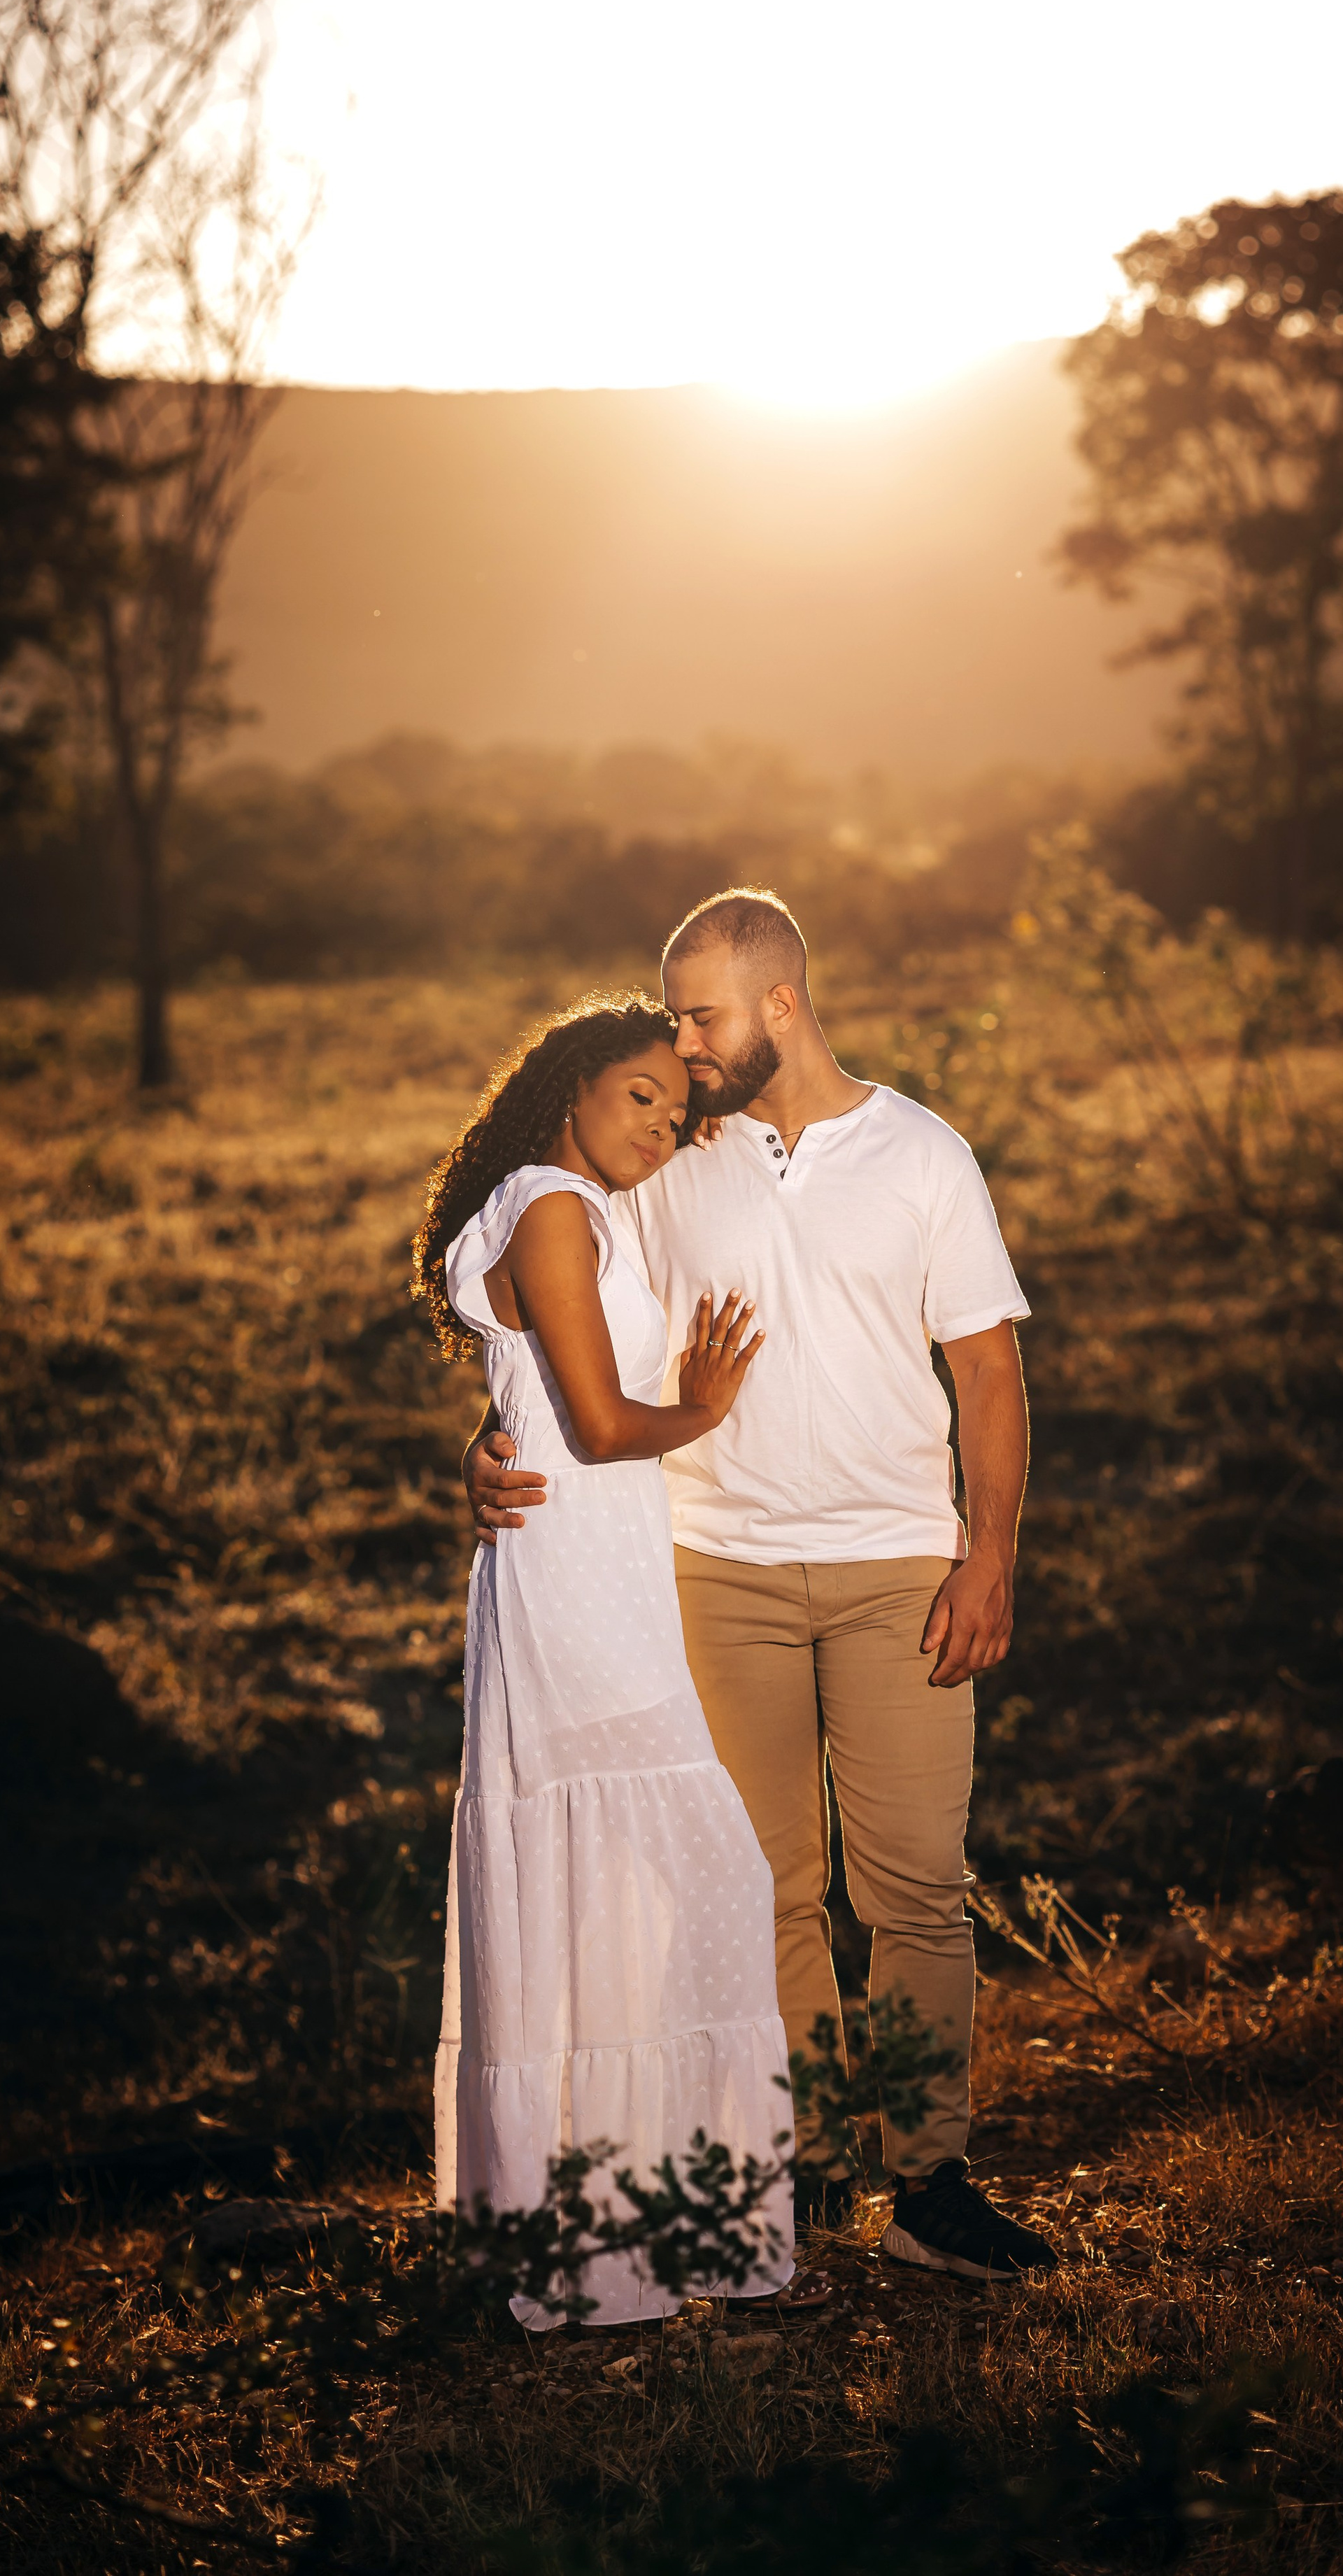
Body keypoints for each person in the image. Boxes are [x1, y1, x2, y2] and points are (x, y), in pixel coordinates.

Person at [469, 893, 1057, 2284]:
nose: (680, 1045)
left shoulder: (923, 1155)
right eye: (671, 1018)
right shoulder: (669, 1162)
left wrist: (988, 1555)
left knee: (912, 1888)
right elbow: (556, 1316)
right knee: (765, 1886)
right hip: (712, 1566)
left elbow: (986, 1372)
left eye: (699, 1016)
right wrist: (488, 1439)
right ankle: (785, 2176)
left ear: (779, 1005)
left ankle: (924, 2188)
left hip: (895, 1568)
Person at [412, 991, 802, 2330]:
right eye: (639, 1094)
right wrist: (697, 1405)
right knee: (702, 1873)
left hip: (576, 1565)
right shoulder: (557, 1205)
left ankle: (597, 2243)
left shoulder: (552, 1206)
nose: (660, 1124)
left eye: (676, 1110)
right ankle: (655, 2241)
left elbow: (520, 1398)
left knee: (604, 1895)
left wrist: (483, 1446)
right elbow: (587, 1422)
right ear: (569, 1083)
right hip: (578, 1571)